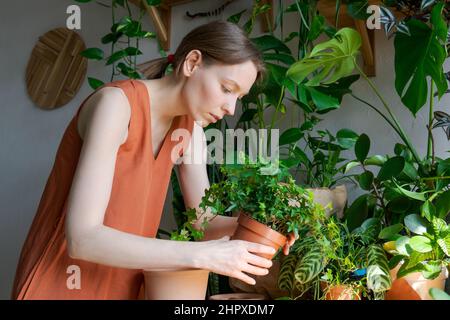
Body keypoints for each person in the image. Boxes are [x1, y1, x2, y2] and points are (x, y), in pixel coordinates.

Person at [11, 20, 295, 300]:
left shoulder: (191, 131)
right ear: (192, 63)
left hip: (122, 288)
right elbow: (82, 238)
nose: (231, 109)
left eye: (239, 97)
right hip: (59, 285)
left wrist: (262, 226)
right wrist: (203, 256)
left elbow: (203, 222)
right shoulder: (116, 106)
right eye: (227, 88)